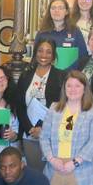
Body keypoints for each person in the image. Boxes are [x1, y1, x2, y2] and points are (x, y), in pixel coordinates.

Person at [15, 37, 65, 171]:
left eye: (48, 52)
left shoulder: (60, 76)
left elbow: (61, 106)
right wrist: (29, 129)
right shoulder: (25, 75)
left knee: (51, 174)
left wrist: (42, 128)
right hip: (29, 134)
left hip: (50, 133)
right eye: (40, 51)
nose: (44, 55)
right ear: (35, 53)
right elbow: (19, 105)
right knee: (34, 172)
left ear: (54, 56)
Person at [36, 0, 89, 69]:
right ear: (49, 11)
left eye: (60, 8)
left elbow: (83, 56)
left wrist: (72, 74)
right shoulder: (42, 33)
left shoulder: (75, 31)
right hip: (47, 76)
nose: (56, 11)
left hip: (69, 77)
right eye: (53, 8)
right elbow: (36, 56)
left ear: (66, 11)